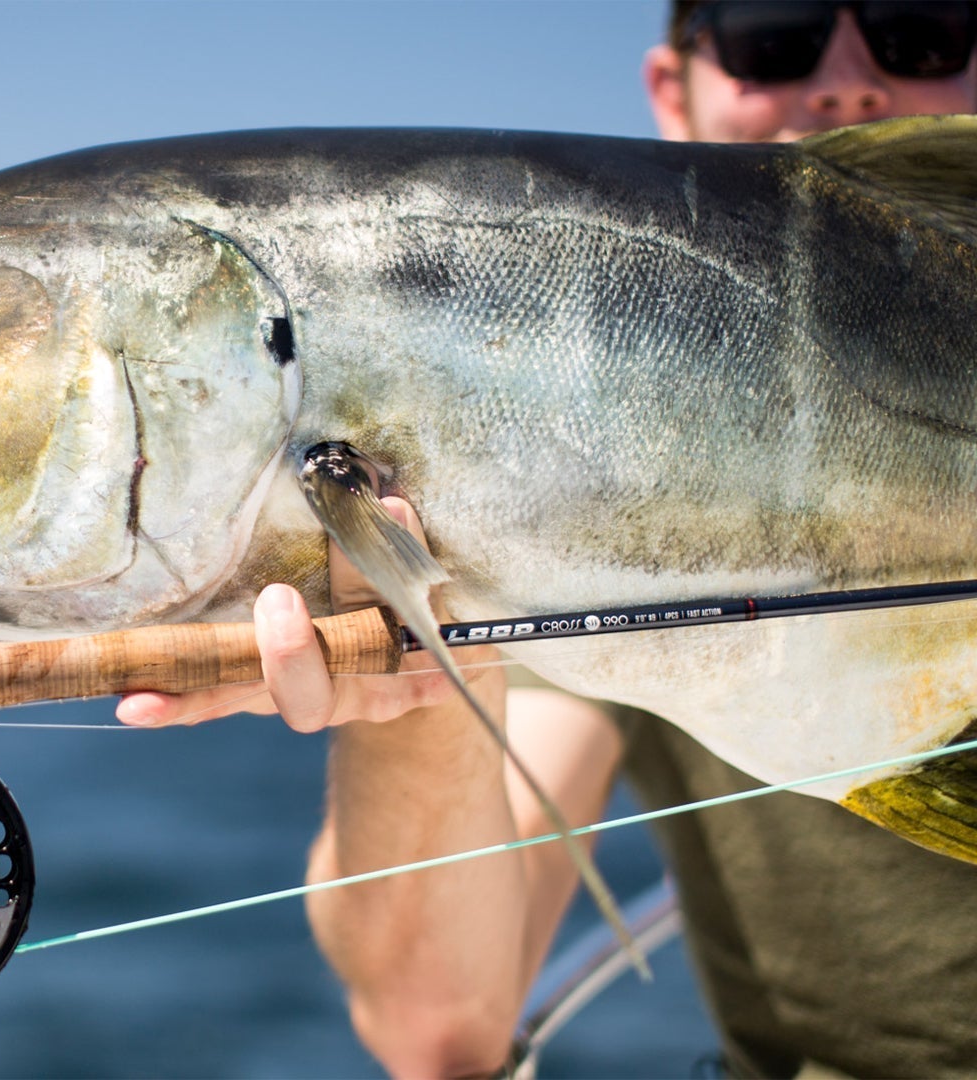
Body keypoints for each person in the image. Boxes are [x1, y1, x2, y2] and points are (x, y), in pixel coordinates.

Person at [117, 3, 977, 1076]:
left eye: (919, 27)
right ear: (673, 91)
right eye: (774, 33)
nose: (848, 75)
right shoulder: (594, 460)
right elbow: (440, 1026)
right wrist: (420, 677)